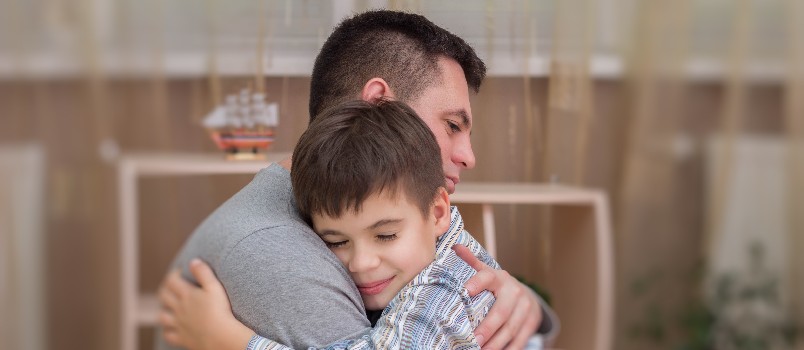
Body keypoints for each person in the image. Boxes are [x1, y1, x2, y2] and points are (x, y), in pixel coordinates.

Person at [156, 9, 556, 350]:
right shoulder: (281, 255)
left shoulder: (423, 235)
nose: (468, 157)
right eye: (452, 125)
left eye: (385, 235)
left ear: (437, 212)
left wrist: (526, 307)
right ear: (379, 103)